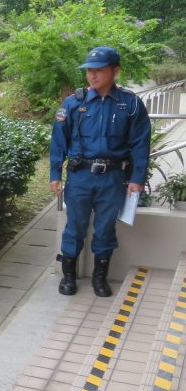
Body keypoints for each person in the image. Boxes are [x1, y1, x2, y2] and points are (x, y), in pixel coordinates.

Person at [50, 46, 151, 297]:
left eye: (99, 70)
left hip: (113, 178)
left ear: (115, 71)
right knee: (75, 227)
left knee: (105, 228)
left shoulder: (130, 104)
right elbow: (59, 141)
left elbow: (141, 144)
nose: (92, 75)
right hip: (80, 176)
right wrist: (55, 174)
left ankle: (99, 277)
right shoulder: (74, 103)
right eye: (89, 71)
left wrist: (137, 179)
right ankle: (69, 276)